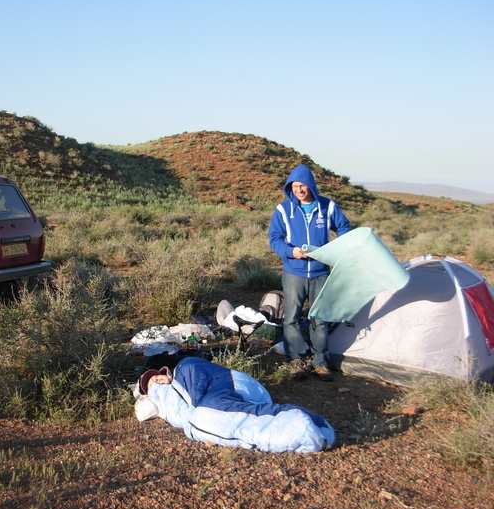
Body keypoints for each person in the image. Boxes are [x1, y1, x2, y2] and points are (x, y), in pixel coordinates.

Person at [135, 357, 335, 453]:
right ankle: (305, 424)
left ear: (166, 373)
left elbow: (182, 410)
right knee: (202, 417)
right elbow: (171, 410)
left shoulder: (182, 372)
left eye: (157, 377)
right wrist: (155, 392)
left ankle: (302, 428)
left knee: (202, 418)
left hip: (225, 382)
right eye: (151, 385)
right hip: (251, 393)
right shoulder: (167, 394)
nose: (157, 382)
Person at [268, 164, 351, 381]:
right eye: (295, 186)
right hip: (293, 271)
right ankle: (296, 360)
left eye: (302, 185)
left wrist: (338, 247)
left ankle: (320, 362)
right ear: (290, 187)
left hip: (320, 271)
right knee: (292, 317)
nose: (299, 190)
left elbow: (343, 227)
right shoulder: (283, 209)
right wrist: (290, 252)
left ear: (310, 185)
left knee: (320, 317)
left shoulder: (327, 206)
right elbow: (275, 239)